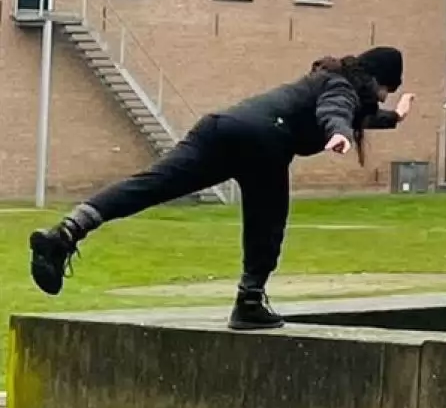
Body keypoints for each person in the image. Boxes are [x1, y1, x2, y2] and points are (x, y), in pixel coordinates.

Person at [27, 48, 415, 327]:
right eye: (387, 91)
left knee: (150, 185)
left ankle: (65, 233)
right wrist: (339, 134)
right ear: (377, 80)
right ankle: (249, 301)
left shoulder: (328, 79)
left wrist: (393, 118)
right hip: (264, 141)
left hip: (220, 127)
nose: (384, 98)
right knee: (268, 221)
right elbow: (337, 110)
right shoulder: (341, 87)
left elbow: (358, 112)